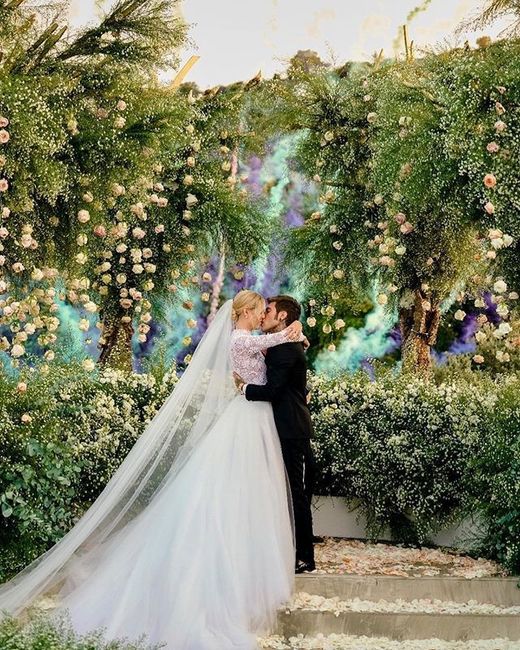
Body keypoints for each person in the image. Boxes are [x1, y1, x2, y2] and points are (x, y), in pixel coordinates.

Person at [0, 291, 304, 650]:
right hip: (247, 419)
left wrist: (297, 336)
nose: (262, 316)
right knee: (232, 489)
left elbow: (274, 348)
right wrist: (293, 332)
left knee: (249, 490)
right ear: (247, 312)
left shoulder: (249, 339)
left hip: (254, 419)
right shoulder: (241, 339)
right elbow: (273, 342)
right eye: (259, 311)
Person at [233, 295, 316, 573]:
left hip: (291, 428)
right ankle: (287, 550)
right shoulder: (279, 343)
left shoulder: (285, 348)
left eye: (268, 311)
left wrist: (243, 388)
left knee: (295, 492)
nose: (263, 315)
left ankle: (304, 556)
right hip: (280, 425)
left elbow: (274, 390)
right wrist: (299, 331)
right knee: (283, 489)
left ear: (281, 316)